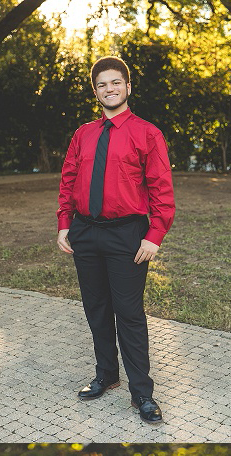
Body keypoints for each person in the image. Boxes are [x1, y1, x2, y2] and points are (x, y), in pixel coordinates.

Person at [58, 56, 174, 425]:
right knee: (96, 308)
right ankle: (107, 375)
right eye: (102, 84)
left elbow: (161, 189)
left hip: (128, 233)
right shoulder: (83, 134)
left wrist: (154, 235)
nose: (110, 89)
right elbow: (68, 180)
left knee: (129, 314)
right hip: (85, 232)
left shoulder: (147, 133)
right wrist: (65, 224)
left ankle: (142, 393)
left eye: (116, 82)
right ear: (95, 91)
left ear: (128, 86)